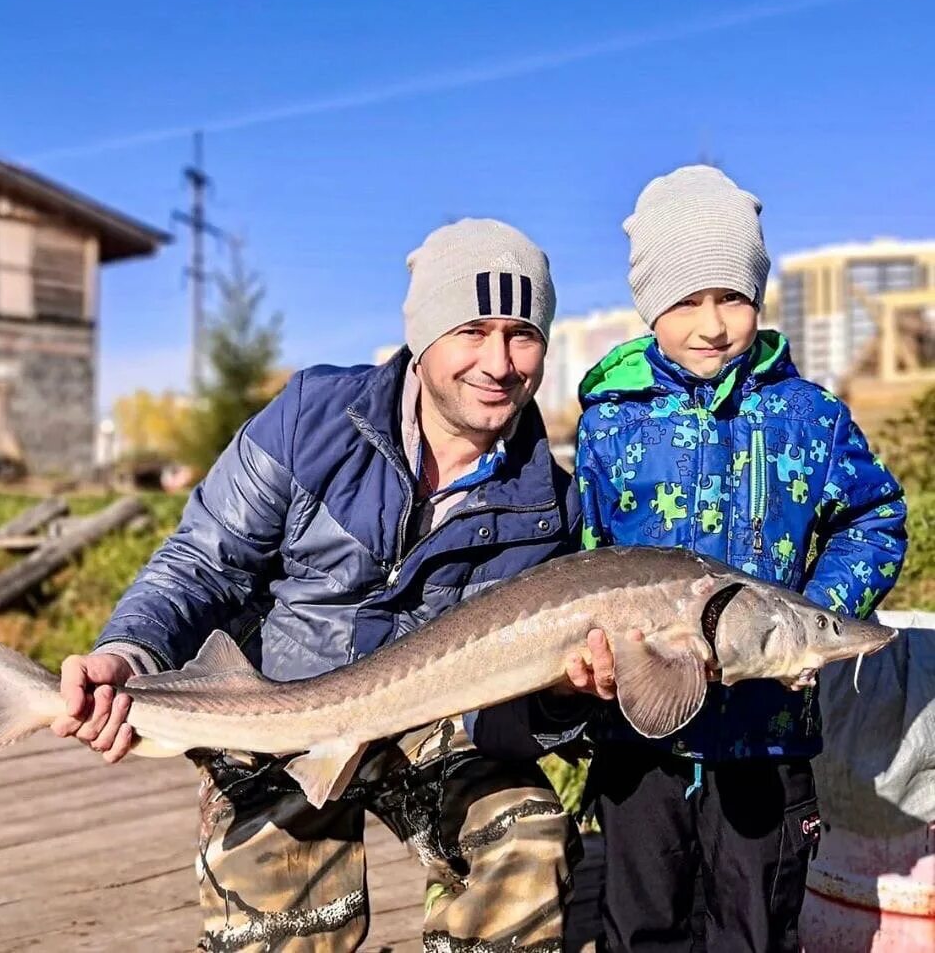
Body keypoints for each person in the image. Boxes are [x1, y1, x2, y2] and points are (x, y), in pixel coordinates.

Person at [52, 217, 614, 952]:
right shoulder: (311, 419)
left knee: (526, 837)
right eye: (473, 329)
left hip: (432, 726)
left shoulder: (549, 504)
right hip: (278, 704)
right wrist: (129, 652)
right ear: (424, 334)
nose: (500, 362)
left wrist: (562, 696)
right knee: (285, 927)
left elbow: (517, 701)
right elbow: (203, 559)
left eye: (522, 333)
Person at [573, 164, 908, 952]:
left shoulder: (810, 415)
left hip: (769, 736)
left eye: (732, 296)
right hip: (639, 742)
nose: (713, 322)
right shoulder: (609, 423)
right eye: (686, 299)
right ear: (650, 305)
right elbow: (584, 554)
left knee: (754, 931)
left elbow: (876, 518)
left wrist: (810, 617)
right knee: (638, 927)